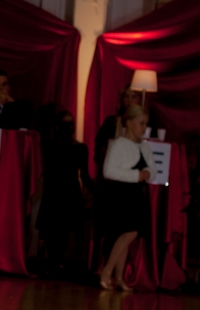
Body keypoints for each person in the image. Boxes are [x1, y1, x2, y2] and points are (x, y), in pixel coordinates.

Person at [99, 105, 155, 292]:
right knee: (128, 234)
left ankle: (118, 277)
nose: (144, 128)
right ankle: (107, 271)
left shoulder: (144, 147)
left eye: (145, 124)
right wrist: (136, 175)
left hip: (137, 195)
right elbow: (108, 171)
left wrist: (147, 173)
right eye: (141, 123)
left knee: (127, 236)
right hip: (122, 194)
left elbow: (153, 170)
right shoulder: (118, 144)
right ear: (129, 123)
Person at [36, 111, 94, 276]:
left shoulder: (79, 148)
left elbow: (84, 175)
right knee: (53, 231)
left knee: (62, 231)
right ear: (57, 126)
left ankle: (56, 263)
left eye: (71, 124)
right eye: (65, 124)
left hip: (67, 192)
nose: (69, 128)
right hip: (55, 192)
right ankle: (53, 263)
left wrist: (95, 192)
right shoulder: (49, 146)